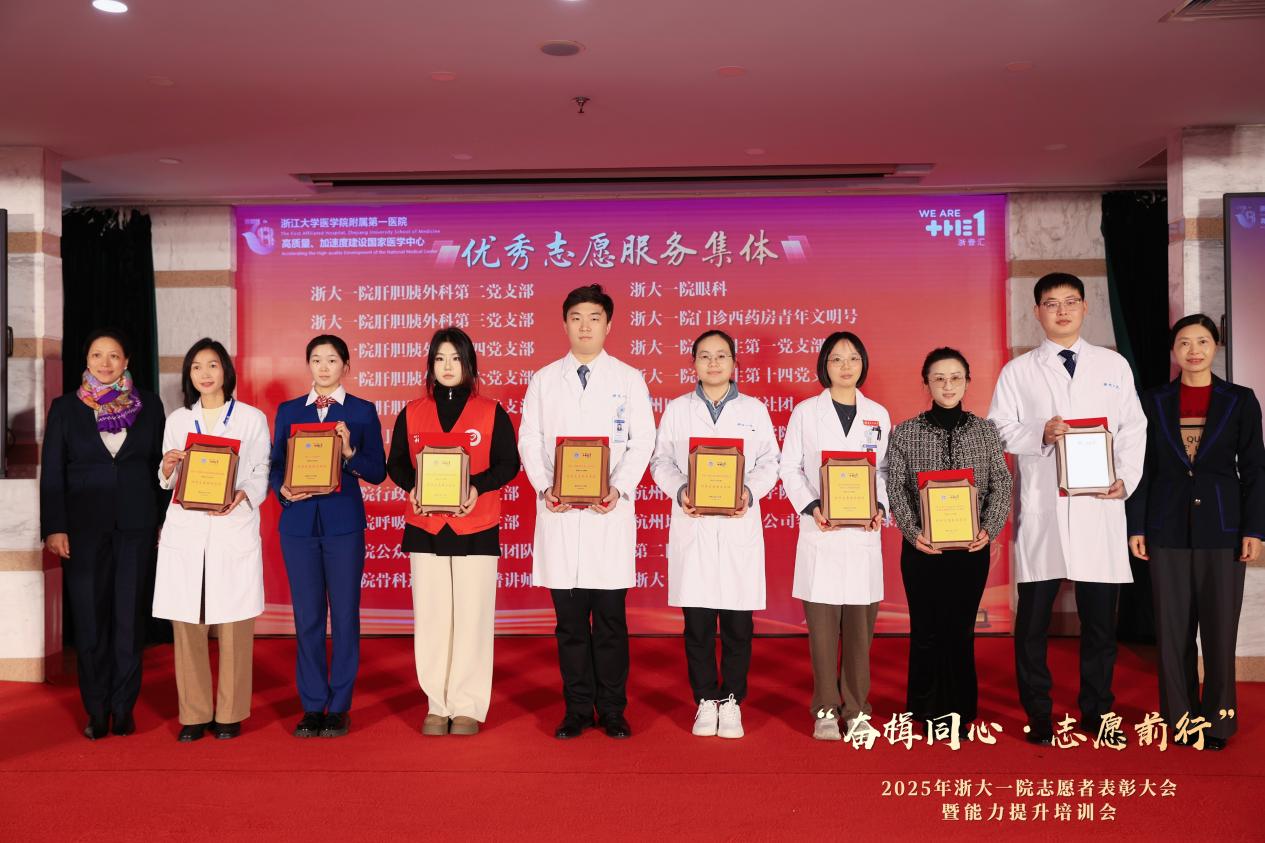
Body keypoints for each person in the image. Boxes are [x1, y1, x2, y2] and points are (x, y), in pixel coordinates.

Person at [987, 273, 1146, 744]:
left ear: (1085, 307)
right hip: (1045, 510)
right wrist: (1039, 431)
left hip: (1099, 506)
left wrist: (1125, 479)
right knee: (1032, 623)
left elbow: (1133, 428)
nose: (1062, 311)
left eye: (1070, 302)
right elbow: (998, 428)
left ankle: (1097, 712)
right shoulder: (1018, 371)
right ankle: (1039, 713)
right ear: (1037, 311)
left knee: (1099, 625)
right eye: (1051, 303)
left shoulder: (1113, 365)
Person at [519, 284, 655, 740]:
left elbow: (643, 441)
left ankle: (613, 709)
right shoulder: (544, 380)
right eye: (576, 317)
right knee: (571, 625)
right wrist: (546, 486)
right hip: (559, 513)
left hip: (607, 516)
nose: (585, 326)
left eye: (594, 318)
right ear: (564, 323)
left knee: (611, 622)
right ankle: (577, 708)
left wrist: (618, 487)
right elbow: (530, 440)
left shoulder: (628, 378)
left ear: (608, 325)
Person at [1127, 314, 1264, 751]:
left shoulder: (1239, 400)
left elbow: (1255, 470)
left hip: (1223, 530)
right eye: (1184, 342)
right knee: (1172, 633)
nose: (1193, 351)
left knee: (1220, 633)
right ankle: (1182, 721)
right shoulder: (1153, 400)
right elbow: (1142, 468)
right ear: (1173, 350)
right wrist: (1137, 525)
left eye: (1202, 341)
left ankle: (1219, 723)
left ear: (1215, 346)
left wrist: (1255, 529)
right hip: (1165, 528)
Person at [387, 327, 519, 736]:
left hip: (476, 524)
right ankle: (437, 703)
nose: (448, 366)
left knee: (472, 617)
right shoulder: (412, 411)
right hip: (426, 525)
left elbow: (508, 464)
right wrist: (413, 488)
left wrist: (476, 487)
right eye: (440, 358)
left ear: (469, 364)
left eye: (456, 358)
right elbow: (397, 463)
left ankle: (467, 704)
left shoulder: (491, 411)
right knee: (432, 617)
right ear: (431, 365)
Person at [650, 330, 780, 739]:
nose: (713, 363)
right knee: (699, 625)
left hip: (739, 525)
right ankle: (706, 699)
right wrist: (681, 491)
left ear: (734, 363)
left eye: (721, 355)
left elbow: (770, 462)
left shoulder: (754, 410)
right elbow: (661, 462)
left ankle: (732, 700)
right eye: (704, 356)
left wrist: (748, 492)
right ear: (693, 364)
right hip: (695, 525)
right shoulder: (677, 410)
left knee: (739, 625)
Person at [39, 328, 166, 740]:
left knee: (129, 620)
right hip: (83, 529)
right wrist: (54, 526)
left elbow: (159, 465)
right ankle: (95, 710)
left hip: (136, 524)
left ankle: (123, 708)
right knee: (91, 621)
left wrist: (163, 519)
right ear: (87, 361)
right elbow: (52, 472)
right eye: (97, 355)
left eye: (114, 356)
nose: (105, 363)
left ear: (126, 361)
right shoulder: (65, 408)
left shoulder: (150, 405)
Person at [886, 347, 1012, 733]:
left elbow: (1001, 484)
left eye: (956, 377)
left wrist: (989, 529)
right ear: (926, 383)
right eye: (938, 378)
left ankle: (960, 710)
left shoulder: (985, 431)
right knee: (926, 630)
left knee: (959, 630)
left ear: (968, 382)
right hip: (922, 549)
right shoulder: (905, 432)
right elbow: (896, 488)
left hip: (971, 550)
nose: (947, 385)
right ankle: (925, 710)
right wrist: (914, 533)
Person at [152, 338, 271, 742]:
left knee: (235, 624)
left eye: (213, 365)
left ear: (226, 371)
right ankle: (194, 713)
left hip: (231, 526)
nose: (205, 373)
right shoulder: (178, 420)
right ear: (189, 375)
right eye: (196, 367)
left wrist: (244, 494)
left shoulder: (251, 418)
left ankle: (231, 713)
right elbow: (167, 478)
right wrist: (166, 467)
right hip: (187, 532)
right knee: (188, 623)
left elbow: (261, 469)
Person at [270, 334, 386, 739]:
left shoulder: (361, 411)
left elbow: (377, 471)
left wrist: (350, 453)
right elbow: (276, 465)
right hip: (298, 525)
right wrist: (282, 490)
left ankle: (338, 707)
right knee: (308, 618)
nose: (323, 366)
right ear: (309, 365)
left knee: (346, 615)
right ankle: (312, 704)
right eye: (316, 359)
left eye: (332, 360)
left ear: (346, 366)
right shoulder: (288, 411)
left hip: (343, 526)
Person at [779, 331, 889, 741]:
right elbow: (789, 467)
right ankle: (825, 710)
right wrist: (812, 506)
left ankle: (857, 710)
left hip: (862, 536)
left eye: (853, 358)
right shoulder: (806, 412)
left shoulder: (878, 414)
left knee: (860, 635)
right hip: (821, 533)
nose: (846, 366)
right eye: (837, 359)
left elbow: (885, 471)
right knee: (823, 635)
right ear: (824, 365)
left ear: (863, 364)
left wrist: (880, 507)